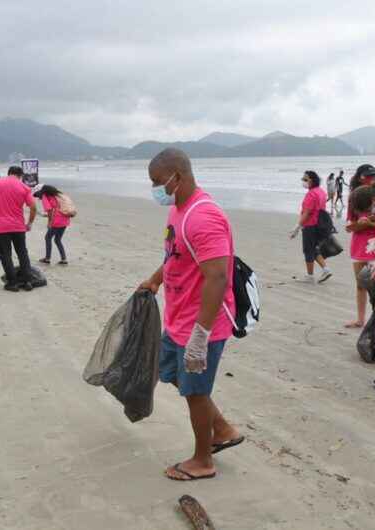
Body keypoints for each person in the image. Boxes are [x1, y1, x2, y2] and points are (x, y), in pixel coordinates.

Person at [138, 148, 242, 481]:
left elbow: (218, 277)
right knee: (176, 377)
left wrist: (201, 336)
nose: (155, 189)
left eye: (157, 182)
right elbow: (175, 254)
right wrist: (155, 280)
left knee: (195, 391)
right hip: (179, 317)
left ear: (176, 177)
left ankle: (203, 460)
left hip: (203, 323)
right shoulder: (179, 211)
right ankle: (222, 428)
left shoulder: (203, 216)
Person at [0, 166, 36, 292]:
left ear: (8, 173)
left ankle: (12, 283)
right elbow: (33, 207)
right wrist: (29, 223)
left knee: (6, 255)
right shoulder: (24, 187)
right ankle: (27, 281)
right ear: (20, 175)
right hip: (19, 226)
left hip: (2, 227)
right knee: (22, 253)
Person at [345, 165, 375, 327]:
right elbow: (349, 227)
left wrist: (371, 223)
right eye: (368, 176)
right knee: (360, 284)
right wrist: (362, 224)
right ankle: (361, 319)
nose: (371, 179)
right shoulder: (355, 198)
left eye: (374, 176)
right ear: (360, 177)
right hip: (359, 246)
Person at [289, 171, 332, 284]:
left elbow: (307, 212)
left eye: (305, 179)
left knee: (308, 249)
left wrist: (297, 227)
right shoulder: (321, 191)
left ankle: (310, 275)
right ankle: (326, 269)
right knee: (314, 249)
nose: (303, 181)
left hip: (310, 225)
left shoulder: (311, 194)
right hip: (320, 224)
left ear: (312, 180)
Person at [34, 185, 71, 265]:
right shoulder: (58, 195)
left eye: (37, 194)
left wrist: (49, 222)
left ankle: (47, 258)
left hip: (56, 221)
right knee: (57, 240)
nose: (38, 197)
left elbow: (50, 210)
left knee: (47, 238)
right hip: (65, 219)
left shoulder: (45, 196)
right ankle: (64, 259)